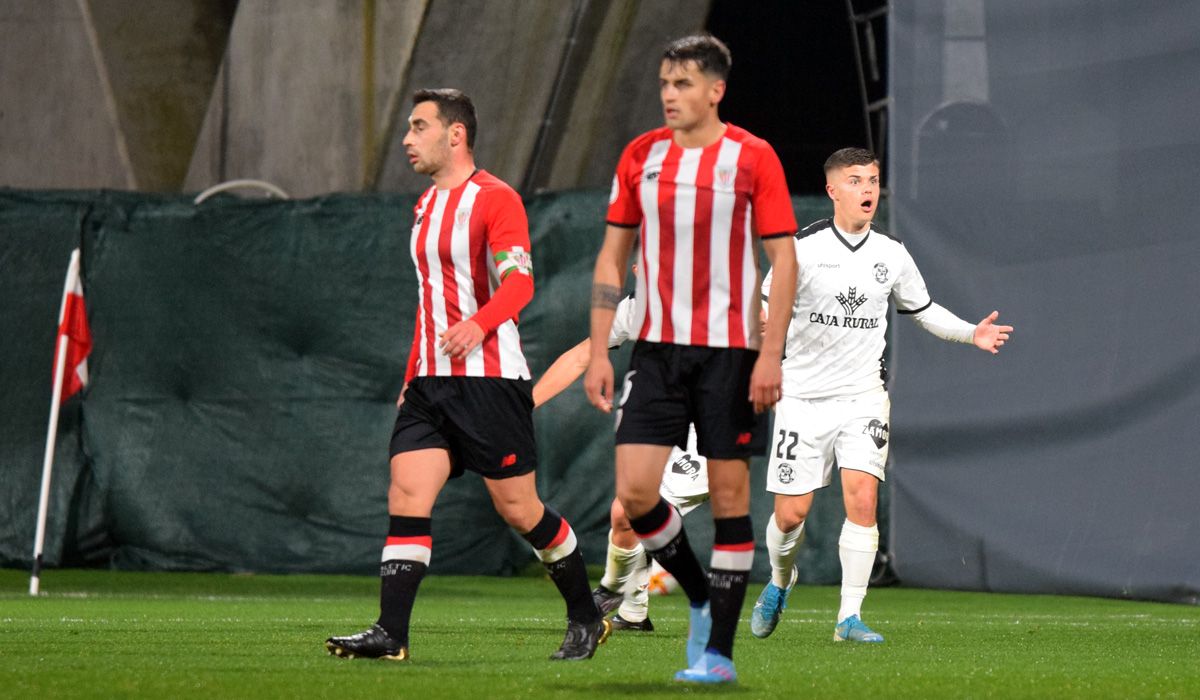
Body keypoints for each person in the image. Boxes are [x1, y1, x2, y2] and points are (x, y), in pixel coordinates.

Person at [325, 88, 609, 663]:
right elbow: (428, 302)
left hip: (489, 383)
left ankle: (586, 615)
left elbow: (520, 285)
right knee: (406, 491)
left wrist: (478, 326)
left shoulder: (496, 199)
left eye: (418, 126)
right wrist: (413, 373)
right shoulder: (425, 207)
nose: (407, 138)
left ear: (455, 134)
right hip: (431, 386)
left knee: (519, 512)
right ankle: (391, 634)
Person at [583, 34, 799, 684]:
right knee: (635, 493)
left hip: (732, 352)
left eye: (683, 84)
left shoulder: (753, 157)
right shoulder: (641, 156)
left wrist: (771, 355)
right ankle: (701, 595)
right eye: (664, 84)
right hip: (656, 350)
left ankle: (718, 654)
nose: (670, 95)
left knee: (732, 496)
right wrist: (598, 349)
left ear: (715, 91)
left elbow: (782, 260)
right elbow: (611, 258)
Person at [749, 147, 1013, 644]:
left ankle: (848, 617)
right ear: (832, 190)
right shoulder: (801, 248)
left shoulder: (891, 253)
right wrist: (763, 325)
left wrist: (969, 333)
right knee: (791, 515)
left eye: (872, 180)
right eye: (854, 180)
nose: (867, 189)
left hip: (863, 397)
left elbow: (924, 309)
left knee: (863, 499)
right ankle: (780, 581)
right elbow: (764, 307)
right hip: (802, 398)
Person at [532, 290, 712, 633]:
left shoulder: (719, 302)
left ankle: (610, 592)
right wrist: (524, 405)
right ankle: (633, 613)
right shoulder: (638, 307)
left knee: (630, 512)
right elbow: (580, 356)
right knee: (629, 515)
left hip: (710, 432)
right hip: (669, 427)